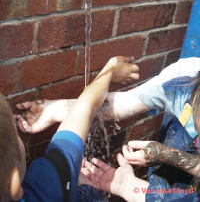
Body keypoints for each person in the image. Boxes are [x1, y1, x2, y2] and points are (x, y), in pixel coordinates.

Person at [15, 57, 200, 201]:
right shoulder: (185, 78)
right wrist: (56, 109)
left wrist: (171, 156)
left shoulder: (41, 186)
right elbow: (120, 104)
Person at [0, 56, 139, 202]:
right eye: (17, 135)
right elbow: (86, 106)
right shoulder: (45, 184)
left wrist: (53, 112)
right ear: (14, 184)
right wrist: (110, 70)